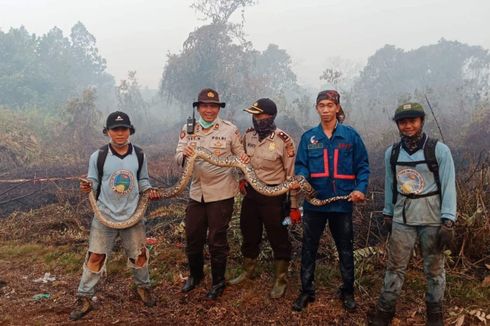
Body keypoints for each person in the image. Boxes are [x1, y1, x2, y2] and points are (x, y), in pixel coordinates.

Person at [368, 103, 456, 326]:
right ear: (398, 125)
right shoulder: (393, 152)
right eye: (403, 122)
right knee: (394, 268)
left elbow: (448, 185)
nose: (408, 126)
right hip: (402, 219)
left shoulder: (438, 150)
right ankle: (383, 314)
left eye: (412, 121)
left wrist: (448, 220)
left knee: (435, 270)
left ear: (421, 122)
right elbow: (391, 184)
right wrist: (388, 213)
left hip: (432, 219)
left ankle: (435, 317)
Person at [70, 111, 160, 321]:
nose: (120, 133)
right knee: (96, 256)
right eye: (115, 129)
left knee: (139, 255)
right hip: (104, 215)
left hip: (133, 215)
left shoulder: (139, 155)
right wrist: (87, 186)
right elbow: (92, 181)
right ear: (108, 132)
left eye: (124, 129)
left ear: (130, 131)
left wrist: (149, 190)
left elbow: (143, 180)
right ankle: (84, 297)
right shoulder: (98, 156)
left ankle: (143, 287)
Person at [292, 90, 370, 312]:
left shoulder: (350, 136)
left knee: (345, 248)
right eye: (321, 106)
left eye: (329, 105)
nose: (325, 110)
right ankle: (306, 291)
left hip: (342, 203)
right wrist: (301, 179)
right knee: (309, 247)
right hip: (314, 203)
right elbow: (301, 165)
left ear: (337, 107)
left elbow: (362, 165)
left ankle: (348, 291)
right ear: (316, 108)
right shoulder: (309, 137)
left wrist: (360, 188)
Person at [176, 88, 249, 300]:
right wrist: (185, 154)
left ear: (218, 108)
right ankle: (195, 276)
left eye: (213, 106)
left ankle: (218, 282)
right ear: (198, 108)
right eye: (205, 106)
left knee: (216, 239)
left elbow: (241, 156)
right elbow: (177, 155)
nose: (209, 110)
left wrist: (244, 164)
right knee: (193, 236)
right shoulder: (188, 129)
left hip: (221, 192)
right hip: (197, 192)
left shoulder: (230, 130)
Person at [228, 98, 301, 298]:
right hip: (251, 195)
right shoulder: (248, 136)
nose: (256, 119)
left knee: (279, 237)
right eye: (254, 116)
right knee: (248, 232)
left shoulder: (284, 141)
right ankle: (248, 271)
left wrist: (293, 207)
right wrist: (242, 178)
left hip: (274, 197)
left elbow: (292, 176)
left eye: (260, 116)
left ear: (271, 117)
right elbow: (242, 161)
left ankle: (280, 279)